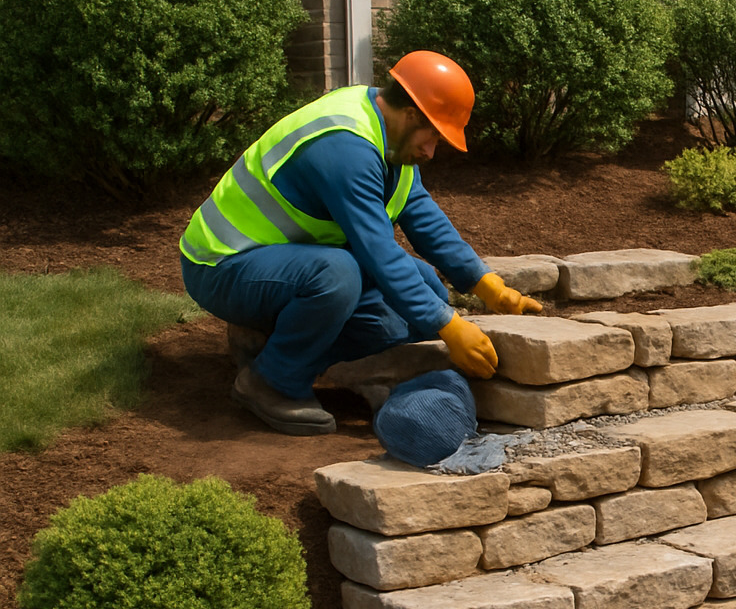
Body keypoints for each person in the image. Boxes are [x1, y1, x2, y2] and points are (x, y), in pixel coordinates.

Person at [179, 51, 541, 436]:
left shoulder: (388, 139)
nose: (432, 151)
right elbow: (379, 254)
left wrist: (486, 284)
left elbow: (419, 212)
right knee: (339, 275)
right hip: (222, 265)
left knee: (427, 290)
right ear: (414, 114)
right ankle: (271, 382)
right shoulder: (344, 145)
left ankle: (272, 348)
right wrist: (449, 326)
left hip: (284, 267)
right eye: (434, 136)